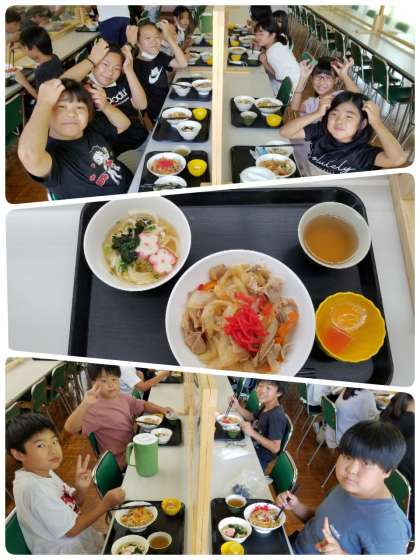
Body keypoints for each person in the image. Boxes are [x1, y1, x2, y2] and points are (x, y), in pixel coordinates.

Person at [277, 420, 411, 554]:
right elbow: (318, 521)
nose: (351, 470)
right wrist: (296, 506)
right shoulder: (348, 486)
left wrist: (341, 554)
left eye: (366, 463)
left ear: (387, 471)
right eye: (347, 457)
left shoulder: (390, 531)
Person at [6, 412, 125, 554]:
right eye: (41, 445)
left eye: (54, 441)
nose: (53, 450)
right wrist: (105, 505)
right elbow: (71, 530)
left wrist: (80, 488)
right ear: (18, 454)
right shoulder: (33, 489)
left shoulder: (44, 471)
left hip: (86, 542)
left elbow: (74, 504)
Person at [17, 78, 133, 200]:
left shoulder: (91, 129)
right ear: (46, 114)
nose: (72, 113)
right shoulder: (50, 155)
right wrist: (43, 103)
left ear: (88, 114)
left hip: (131, 181)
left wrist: (105, 106)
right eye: (61, 106)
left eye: (79, 107)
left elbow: (124, 124)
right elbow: (29, 155)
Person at [64, 364, 174, 469]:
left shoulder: (123, 397)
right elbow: (70, 428)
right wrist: (85, 404)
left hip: (133, 449)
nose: (111, 385)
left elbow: (143, 405)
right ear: (93, 383)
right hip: (120, 462)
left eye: (114, 379)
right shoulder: (94, 408)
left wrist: (161, 409)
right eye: (104, 381)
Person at [281, 92, 408, 173]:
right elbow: (285, 132)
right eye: (334, 114)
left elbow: (398, 159)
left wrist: (377, 124)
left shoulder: (363, 154)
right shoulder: (321, 131)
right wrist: (317, 113)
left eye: (348, 117)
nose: (339, 121)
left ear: (362, 124)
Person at [62, 39, 148, 155]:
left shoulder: (121, 80)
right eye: (105, 64)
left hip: (143, 138)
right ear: (94, 64)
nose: (110, 72)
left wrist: (129, 71)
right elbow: (61, 84)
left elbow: (141, 105)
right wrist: (91, 60)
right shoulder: (85, 90)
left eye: (116, 68)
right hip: (121, 152)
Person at [126, 20, 188, 123]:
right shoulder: (134, 66)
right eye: (148, 38)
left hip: (168, 105)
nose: (154, 41)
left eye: (157, 37)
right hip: (156, 117)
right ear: (137, 42)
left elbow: (183, 63)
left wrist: (169, 38)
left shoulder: (159, 56)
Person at [231, 380, 288, 472]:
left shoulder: (276, 416)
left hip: (258, 457)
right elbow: (251, 416)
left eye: (268, 388)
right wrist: (237, 407)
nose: (262, 390)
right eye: (260, 386)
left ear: (279, 393)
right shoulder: (267, 405)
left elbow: (275, 448)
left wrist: (252, 432)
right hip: (250, 444)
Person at [291, 56, 360, 118]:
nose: (321, 82)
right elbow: (295, 107)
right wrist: (303, 78)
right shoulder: (313, 102)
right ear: (312, 79)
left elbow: (359, 98)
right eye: (318, 77)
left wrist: (344, 76)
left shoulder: (339, 96)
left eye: (328, 78)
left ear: (336, 80)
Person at [13, 26, 64, 100]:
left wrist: (24, 82)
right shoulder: (54, 57)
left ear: (34, 48)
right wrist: (21, 46)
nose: (24, 52)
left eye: (25, 48)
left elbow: (42, 99)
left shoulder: (41, 72)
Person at [254, 17, 300, 94]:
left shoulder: (274, 53)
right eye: (256, 34)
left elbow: (281, 77)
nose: (257, 37)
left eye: (261, 34)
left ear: (273, 35)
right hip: (288, 84)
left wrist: (265, 63)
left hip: (288, 91)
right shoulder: (275, 45)